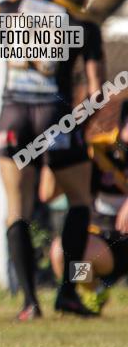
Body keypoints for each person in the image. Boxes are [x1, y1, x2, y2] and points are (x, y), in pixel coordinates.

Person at [0, 0, 105, 320]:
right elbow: (96, 89)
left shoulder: (7, 7)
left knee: (18, 208)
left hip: (13, 114)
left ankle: (29, 303)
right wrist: (81, 126)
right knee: (78, 200)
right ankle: (68, 295)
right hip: (55, 117)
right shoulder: (82, 21)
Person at [41, 101, 128, 313]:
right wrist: (52, 157)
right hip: (105, 242)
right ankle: (95, 290)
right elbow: (47, 194)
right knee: (61, 251)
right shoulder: (100, 151)